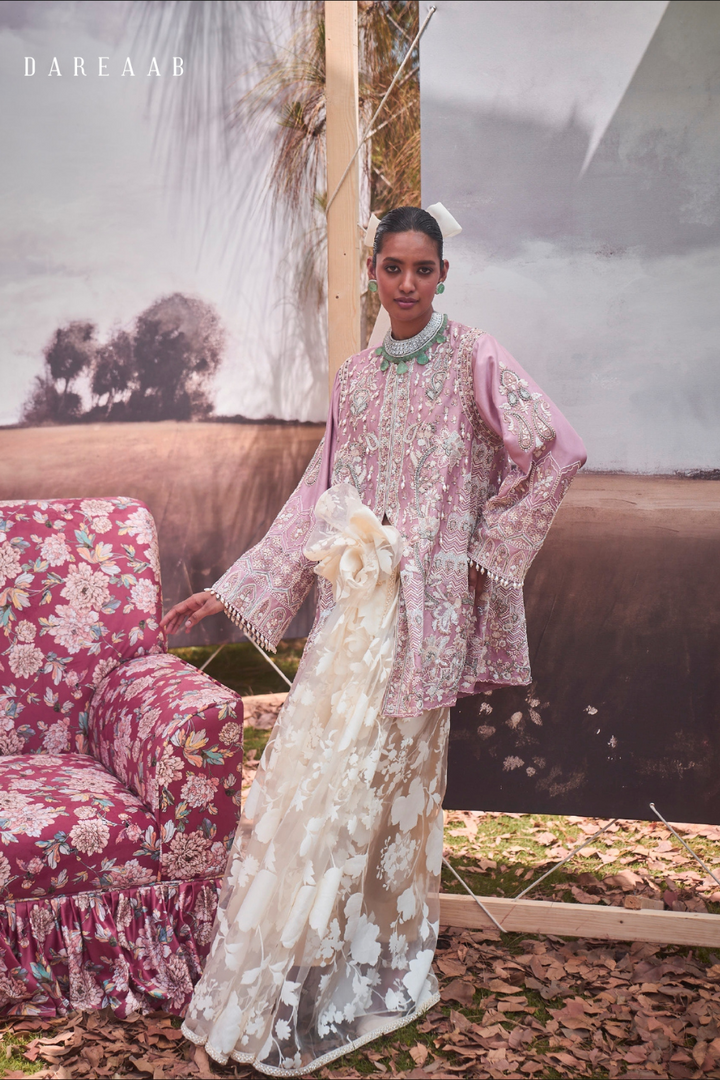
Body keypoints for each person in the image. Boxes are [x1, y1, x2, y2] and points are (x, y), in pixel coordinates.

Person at [161, 206, 587, 1074]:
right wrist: (227, 590)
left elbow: (557, 450)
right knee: (314, 781)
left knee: (382, 791)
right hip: (352, 618)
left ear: (442, 275)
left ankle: (355, 967)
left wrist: (483, 551)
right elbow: (314, 501)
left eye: (422, 270)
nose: (405, 285)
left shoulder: (474, 358)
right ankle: (283, 975)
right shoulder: (355, 380)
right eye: (391, 268)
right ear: (372, 270)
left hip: (422, 623)